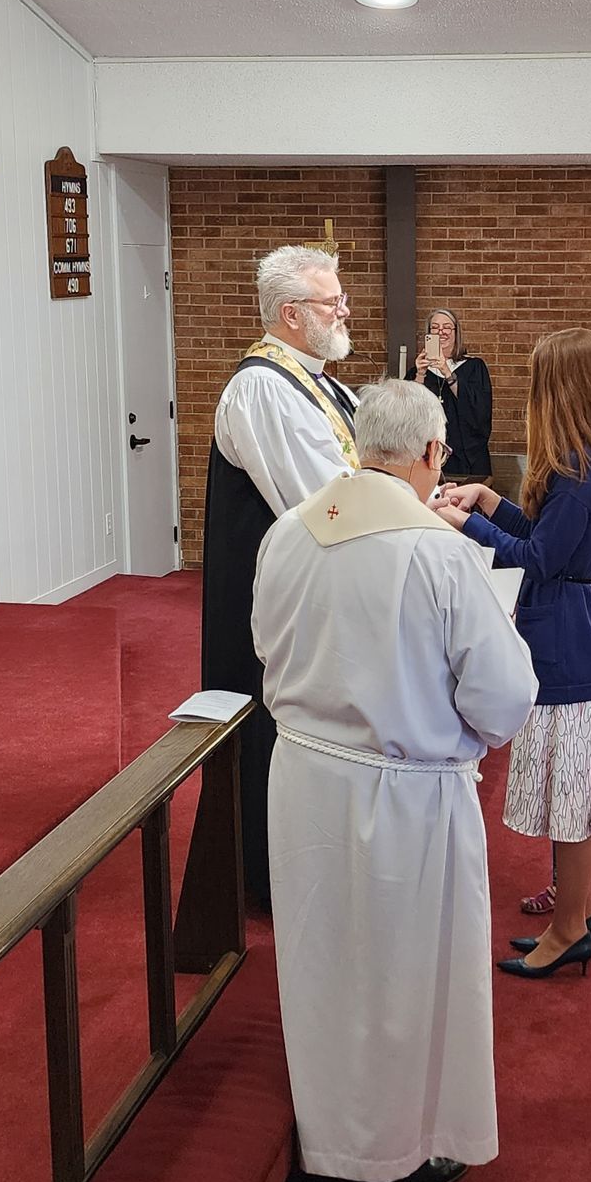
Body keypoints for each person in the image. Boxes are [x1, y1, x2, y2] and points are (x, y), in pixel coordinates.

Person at [252, 381, 537, 1182]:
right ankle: (390, 1153)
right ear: (432, 454)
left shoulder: (289, 532)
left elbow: (266, 647)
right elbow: (504, 698)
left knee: (324, 960)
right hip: (404, 797)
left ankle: (331, 1129)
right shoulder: (438, 551)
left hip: (303, 780)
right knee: (405, 974)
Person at [435, 328, 591, 978]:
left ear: (563, 390)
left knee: (573, 804)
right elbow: (541, 536)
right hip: (569, 625)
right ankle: (578, 916)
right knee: (574, 794)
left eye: (540, 382)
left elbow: (535, 560)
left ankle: (569, 931)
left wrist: (464, 524)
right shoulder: (582, 461)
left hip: (565, 641)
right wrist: (488, 499)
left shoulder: (582, 472)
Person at [182, 245, 358, 913]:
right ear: (291, 314)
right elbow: (323, 502)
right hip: (272, 607)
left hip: (314, 595)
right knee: (271, 730)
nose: (345, 310)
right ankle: (269, 874)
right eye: (331, 301)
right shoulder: (261, 386)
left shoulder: (317, 380)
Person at [407, 308, 494, 483]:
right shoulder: (416, 371)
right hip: (427, 459)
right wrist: (420, 374)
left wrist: (446, 371)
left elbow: (479, 412)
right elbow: (407, 413)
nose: (441, 332)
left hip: (467, 457)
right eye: (435, 328)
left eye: (447, 327)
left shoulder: (474, 367)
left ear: (456, 332)